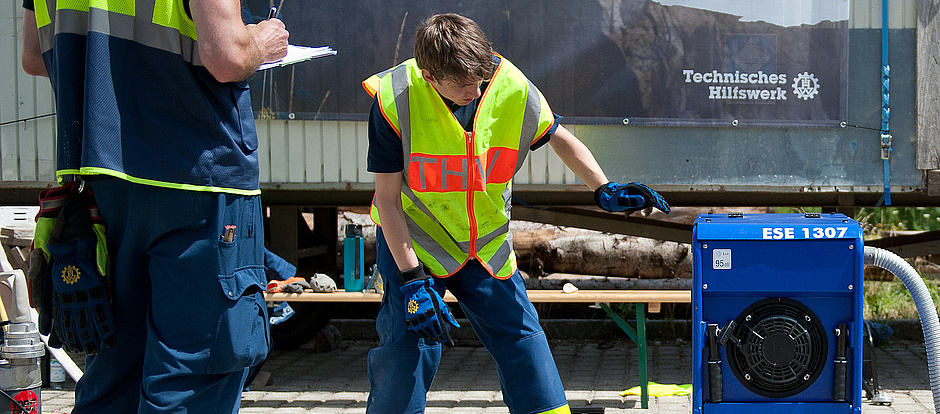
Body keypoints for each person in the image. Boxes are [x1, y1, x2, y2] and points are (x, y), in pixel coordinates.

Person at [361, 13, 670, 414]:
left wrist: (602, 187)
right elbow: (387, 199)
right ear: (430, 76)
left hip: (486, 248)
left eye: (480, 77)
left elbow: (559, 136)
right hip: (417, 246)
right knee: (405, 353)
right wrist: (410, 282)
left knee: (525, 346)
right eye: (463, 84)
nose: (476, 90)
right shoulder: (395, 98)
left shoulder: (507, 83)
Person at [21, 0, 288, 412]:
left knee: (112, 376)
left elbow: (34, 56)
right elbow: (229, 58)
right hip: (196, 178)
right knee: (193, 377)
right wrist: (263, 40)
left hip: (102, 183)